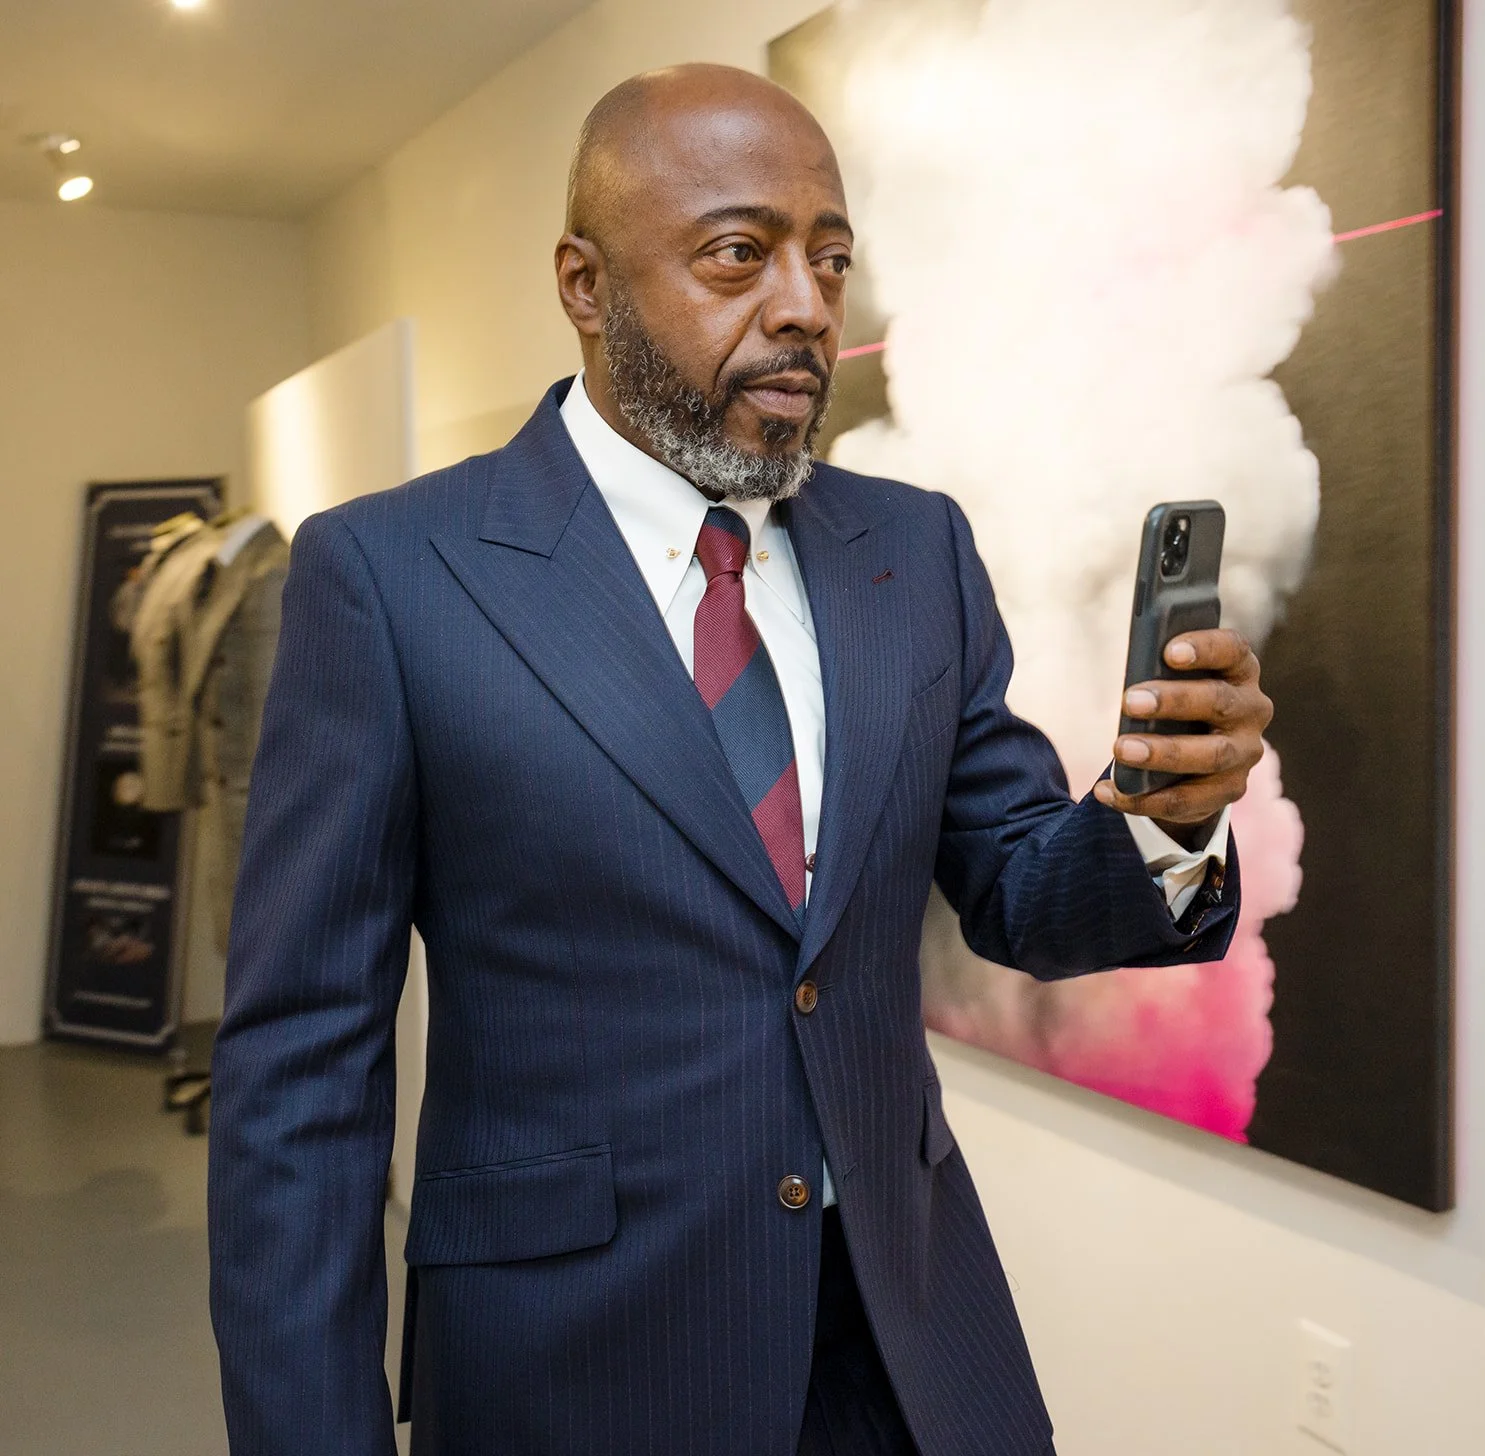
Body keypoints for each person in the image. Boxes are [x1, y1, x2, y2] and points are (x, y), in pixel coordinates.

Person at [208, 63, 1271, 1456]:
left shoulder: (914, 551)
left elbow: (1018, 887)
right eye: (740, 254)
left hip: (904, 1344)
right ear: (585, 285)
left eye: (830, 259)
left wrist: (1164, 817)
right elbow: (300, 1074)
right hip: (576, 1366)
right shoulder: (394, 576)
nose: (806, 306)